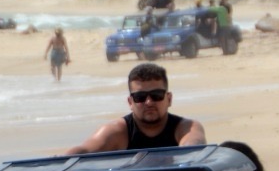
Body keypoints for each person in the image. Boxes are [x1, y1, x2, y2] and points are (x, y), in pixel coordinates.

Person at [67, 62, 206, 154]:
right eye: (140, 97)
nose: (149, 102)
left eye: (156, 95)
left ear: (169, 99)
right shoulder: (118, 131)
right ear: (130, 102)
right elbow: (84, 151)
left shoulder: (185, 127)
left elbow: (193, 144)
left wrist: (190, 147)